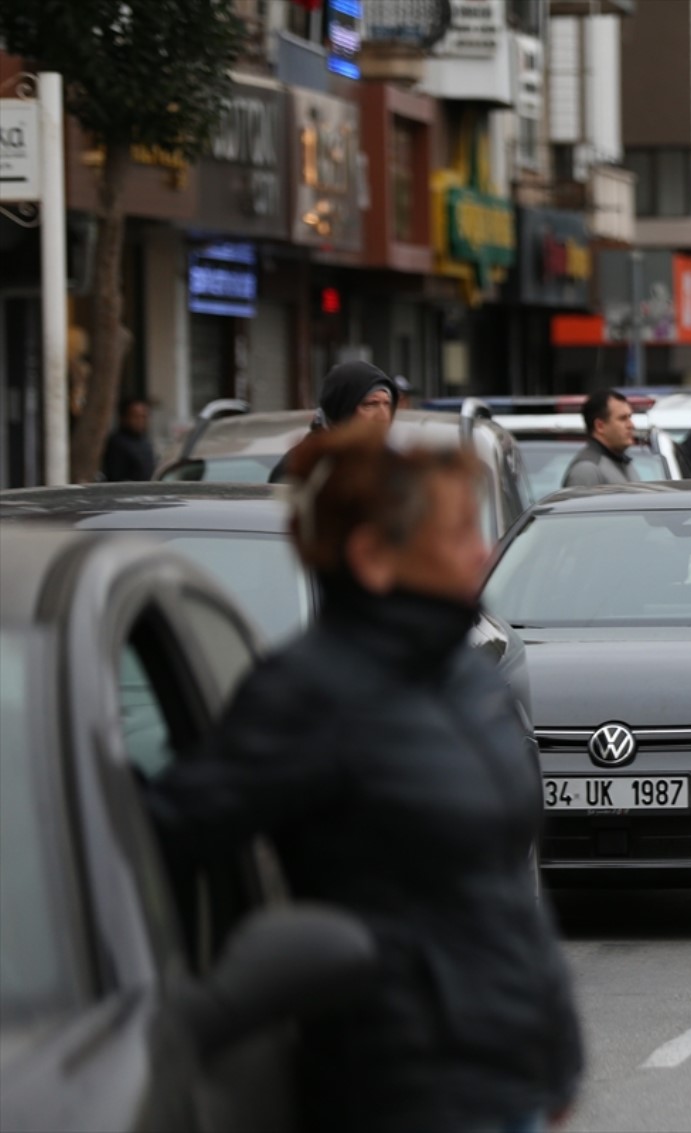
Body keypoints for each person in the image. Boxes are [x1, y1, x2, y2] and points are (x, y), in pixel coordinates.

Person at [144, 422, 584, 1132]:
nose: (483, 552)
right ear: (374, 557)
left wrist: (558, 1055)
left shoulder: (468, 677)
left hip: (512, 1079)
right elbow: (159, 838)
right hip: (401, 1090)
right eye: (456, 536)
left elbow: (507, 894)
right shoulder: (306, 694)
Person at [271, 360, 398, 483]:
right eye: (371, 404)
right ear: (341, 410)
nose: (383, 416)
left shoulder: (392, 465)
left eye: (387, 404)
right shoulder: (303, 468)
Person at [563, 387, 638, 487]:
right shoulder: (586, 470)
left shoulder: (622, 461)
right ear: (600, 426)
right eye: (622, 418)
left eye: (630, 417)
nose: (631, 425)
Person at [101, 395, 156, 482]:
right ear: (123, 418)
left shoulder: (144, 441)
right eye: (135, 417)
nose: (140, 421)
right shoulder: (117, 443)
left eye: (143, 416)